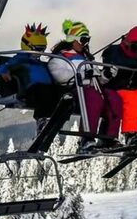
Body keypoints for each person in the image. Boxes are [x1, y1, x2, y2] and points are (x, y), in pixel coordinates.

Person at [48, 20, 123, 152]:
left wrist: (106, 75)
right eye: (83, 40)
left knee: (114, 97)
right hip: (74, 91)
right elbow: (60, 76)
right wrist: (83, 75)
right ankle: (86, 138)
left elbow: (97, 80)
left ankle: (108, 137)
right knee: (93, 96)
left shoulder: (86, 59)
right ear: (73, 40)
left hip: (92, 89)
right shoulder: (60, 58)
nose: (86, 43)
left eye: (87, 40)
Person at [0, 23, 59, 134]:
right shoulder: (21, 58)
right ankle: (41, 119)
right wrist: (4, 71)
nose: (40, 53)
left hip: (47, 89)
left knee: (57, 93)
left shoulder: (38, 63)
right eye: (38, 49)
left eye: (42, 50)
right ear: (28, 45)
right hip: (30, 90)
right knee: (43, 91)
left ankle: (54, 118)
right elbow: (1, 67)